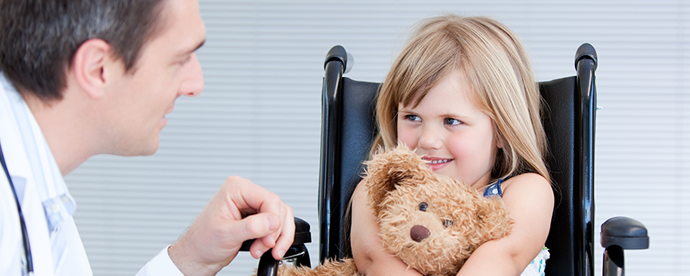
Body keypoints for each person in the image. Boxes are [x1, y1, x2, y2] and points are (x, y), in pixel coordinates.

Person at [0, 0, 295, 275]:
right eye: (181, 59)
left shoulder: (36, 186)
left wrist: (190, 258)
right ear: (97, 69)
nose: (196, 85)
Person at [350, 15, 554, 276]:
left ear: (502, 130)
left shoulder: (526, 192)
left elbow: (504, 257)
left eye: (451, 121)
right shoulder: (375, 190)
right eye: (412, 117)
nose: (427, 140)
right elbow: (376, 260)